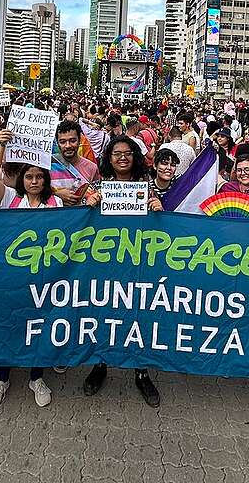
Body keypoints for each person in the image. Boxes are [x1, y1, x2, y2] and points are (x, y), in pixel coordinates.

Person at [0, 127, 58, 409]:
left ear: (45, 179)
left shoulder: (57, 202)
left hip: (44, 275)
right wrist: (1, 147)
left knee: (38, 324)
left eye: (39, 176)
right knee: (8, 322)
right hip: (11, 275)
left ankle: (36, 377)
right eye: (29, 176)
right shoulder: (9, 199)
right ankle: (2, 378)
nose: (35, 181)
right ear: (21, 180)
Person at [82, 135, 161, 407]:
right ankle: (100, 363)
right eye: (116, 153)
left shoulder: (147, 185)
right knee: (104, 313)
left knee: (138, 315)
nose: (122, 157)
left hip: (138, 263)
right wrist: (90, 202)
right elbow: (81, 217)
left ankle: (141, 371)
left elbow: (162, 223)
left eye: (127, 153)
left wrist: (158, 208)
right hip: (105, 263)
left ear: (135, 156)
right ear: (109, 158)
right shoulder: (99, 184)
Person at [50, 119, 101, 205]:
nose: (68, 146)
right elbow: (36, 194)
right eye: (62, 142)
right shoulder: (49, 166)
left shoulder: (92, 168)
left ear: (80, 140)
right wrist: (56, 194)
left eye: (72, 141)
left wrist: (93, 198)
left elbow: (97, 193)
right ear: (57, 143)